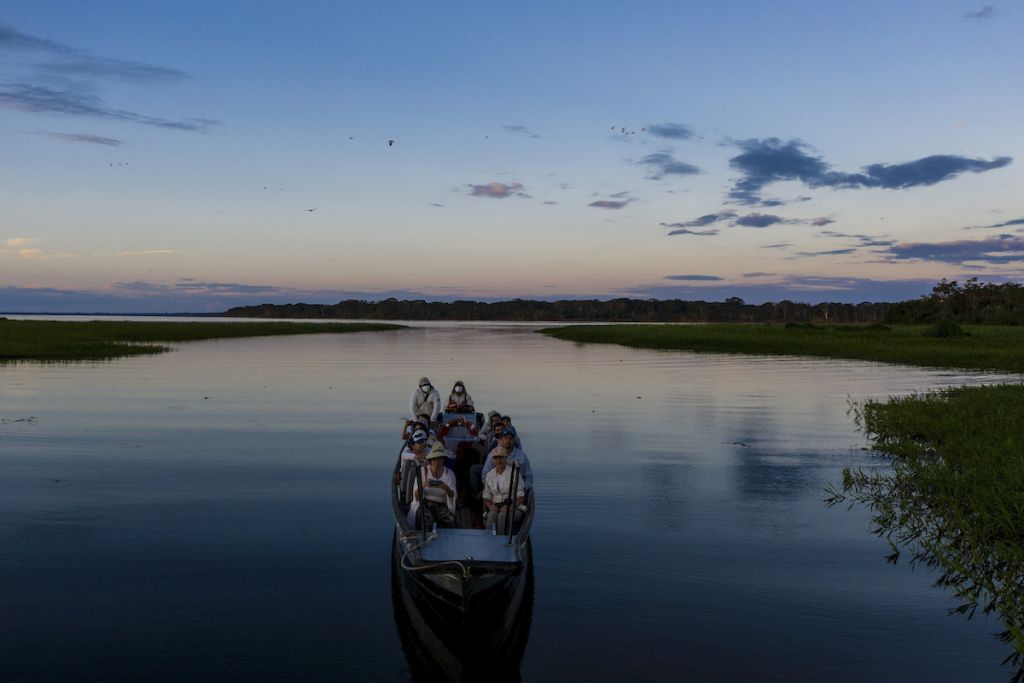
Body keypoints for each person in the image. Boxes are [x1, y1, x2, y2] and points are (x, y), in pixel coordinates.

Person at [407, 442, 458, 529]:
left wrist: (447, 489)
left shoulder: (449, 474)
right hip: (423, 503)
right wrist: (422, 486)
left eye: (440, 459)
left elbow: (452, 495)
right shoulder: (422, 472)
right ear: (431, 460)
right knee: (427, 520)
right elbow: (416, 496)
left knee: (451, 521)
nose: (437, 462)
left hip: (440, 504)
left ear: (443, 459)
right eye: (434, 459)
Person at [483, 446, 526, 532]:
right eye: (496, 458)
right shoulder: (489, 475)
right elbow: (486, 497)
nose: (499, 460)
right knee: (492, 515)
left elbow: (521, 498)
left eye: (501, 457)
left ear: (505, 458)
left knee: (502, 516)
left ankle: (501, 541)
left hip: (514, 507)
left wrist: (509, 507)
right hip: (496, 505)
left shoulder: (514, 473)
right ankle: (488, 540)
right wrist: (490, 506)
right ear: (493, 460)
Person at [482, 427, 533, 491]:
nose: (508, 441)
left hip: (517, 490)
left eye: (511, 438)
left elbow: (529, 476)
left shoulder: (522, 456)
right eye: (506, 438)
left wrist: (524, 488)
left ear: (514, 440)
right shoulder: (493, 454)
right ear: (502, 440)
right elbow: (485, 473)